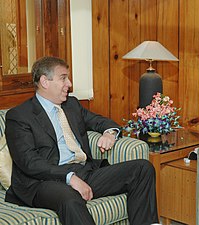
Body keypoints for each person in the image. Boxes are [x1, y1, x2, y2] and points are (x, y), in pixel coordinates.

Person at [5, 56, 159, 225]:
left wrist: (110, 133)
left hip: (84, 171)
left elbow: (100, 121)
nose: (69, 84)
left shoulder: (71, 105)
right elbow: (30, 163)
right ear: (44, 82)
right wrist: (69, 177)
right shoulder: (20, 116)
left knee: (142, 169)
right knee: (69, 197)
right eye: (63, 78)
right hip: (43, 181)